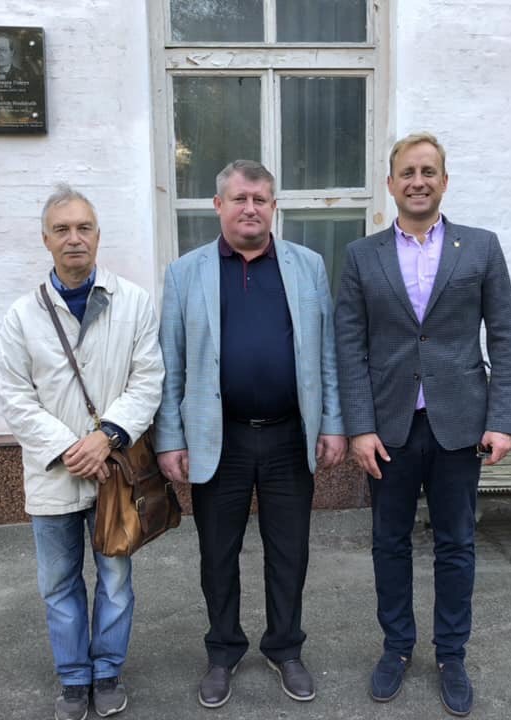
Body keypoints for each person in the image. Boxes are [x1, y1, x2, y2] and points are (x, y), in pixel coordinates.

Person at [334, 133, 511, 717]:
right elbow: (349, 346)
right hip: (389, 428)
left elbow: (505, 336)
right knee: (389, 543)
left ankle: (451, 654)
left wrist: (503, 420)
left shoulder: (481, 248)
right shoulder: (361, 256)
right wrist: (359, 426)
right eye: (407, 172)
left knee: (456, 544)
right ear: (390, 184)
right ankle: (396, 647)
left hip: (459, 425)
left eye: (428, 171)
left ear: (444, 180)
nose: (418, 181)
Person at [155, 159, 347, 709]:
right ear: (218, 205)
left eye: (260, 199)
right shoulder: (185, 273)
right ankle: (223, 652)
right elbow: (171, 362)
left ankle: (285, 647)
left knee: (290, 551)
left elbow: (326, 353)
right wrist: (170, 438)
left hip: (289, 437)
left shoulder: (307, 266)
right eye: (239, 199)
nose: (250, 209)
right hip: (220, 439)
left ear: (273, 207)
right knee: (218, 553)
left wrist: (333, 424)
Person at [0, 184, 164, 720]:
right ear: (45, 239)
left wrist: (106, 436)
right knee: (58, 582)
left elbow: (148, 381)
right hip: (54, 474)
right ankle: (73, 677)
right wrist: (71, 447)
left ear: (98, 235)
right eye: (62, 229)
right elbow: (15, 397)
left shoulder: (133, 302)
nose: (74, 238)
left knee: (115, 578)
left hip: (114, 469)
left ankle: (107, 669)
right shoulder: (22, 316)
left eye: (83, 228)